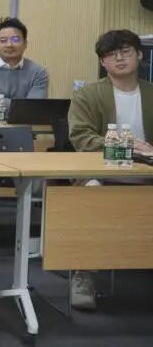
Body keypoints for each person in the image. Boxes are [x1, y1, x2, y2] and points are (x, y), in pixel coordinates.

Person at [67, 29, 153, 311]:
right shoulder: (88, 94)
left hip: (147, 172)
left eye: (125, 52)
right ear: (102, 62)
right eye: (111, 54)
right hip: (100, 171)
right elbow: (81, 137)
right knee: (93, 195)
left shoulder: (151, 92)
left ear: (139, 55)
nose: (119, 58)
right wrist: (127, 145)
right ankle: (84, 273)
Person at [0, 18, 49, 108]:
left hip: (25, 119)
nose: (9, 45)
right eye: (3, 40)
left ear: (25, 44)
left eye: (15, 39)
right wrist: (20, 104)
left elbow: (33, 108)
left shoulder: (38, 72)